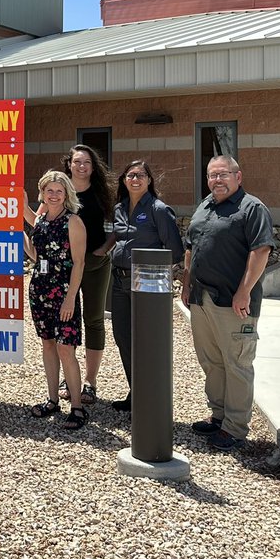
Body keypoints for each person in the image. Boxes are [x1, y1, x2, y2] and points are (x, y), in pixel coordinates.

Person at [183, 155, 274, 452]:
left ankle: (234, 428)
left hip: (233, 303)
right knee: (212, 361)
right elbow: (191, 247)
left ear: (238, 176)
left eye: (223, 175)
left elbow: (260, 251)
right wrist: (186, 283)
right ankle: (219, 416)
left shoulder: (252, 208)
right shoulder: (205, 205)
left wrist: (244, 290)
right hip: (201, 298)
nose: (217, 180)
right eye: (212, 176)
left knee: (237, 364)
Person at [109, 159, 185, 411]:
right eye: (130, 175)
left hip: (145, 284)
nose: (135, 179)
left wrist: (151, 272)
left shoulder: (159, 209)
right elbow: (114, 240)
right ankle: (137, 393)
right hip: (119, 282)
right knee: (123, 338)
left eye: (140, 175)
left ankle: (150, 398)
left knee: (146, 341)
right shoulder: (118, 208)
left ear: (149, 180)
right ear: (123, 180)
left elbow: (174, 251)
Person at [24, 170, 89, 429]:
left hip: (63, 292)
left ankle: (77, 406)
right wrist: (21, 236)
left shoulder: (73, 222)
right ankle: (52, 399)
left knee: (66, 348)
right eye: (49, 190)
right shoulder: (40, 220)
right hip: (39, 290)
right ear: (42, 193)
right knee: (48, 344)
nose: (53, 195)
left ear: (66, 194)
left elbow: (80, 262)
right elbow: (35, 256)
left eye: (58, 191)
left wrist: (70, 298)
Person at [60, 144, 115, 405]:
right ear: (69, 164)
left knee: (93, 320)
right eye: (77, 162)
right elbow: (42, 219)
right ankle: (68, 377)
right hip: (64, 267)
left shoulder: (103, 193)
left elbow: (116, 226)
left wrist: (104, 250)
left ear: (93, 167)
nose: (82, 167)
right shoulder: (60, 189)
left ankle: (90, 382)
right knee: (65, 321)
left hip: (95, 264)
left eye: (87, 163)